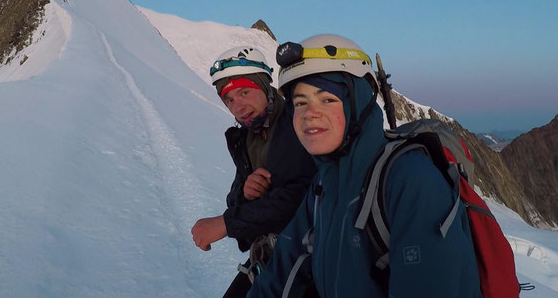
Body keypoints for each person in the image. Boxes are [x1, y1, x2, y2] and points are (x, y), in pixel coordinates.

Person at [247, 34, 482, 297]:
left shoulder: (411, 181)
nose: (309, 113)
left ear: (357, 103)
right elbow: (284, 272)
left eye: (328, 99)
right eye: (300, 102)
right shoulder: (323, 185)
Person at [190, 46, 317, 298]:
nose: (238, 106)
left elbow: (299, 198)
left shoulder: (298, 123)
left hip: (312, 257)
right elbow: (234, 196)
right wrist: (247, 193)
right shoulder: (248, 136)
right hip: (273, 253)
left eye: (244, 92)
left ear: (264, 86)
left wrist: (226, 224)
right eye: (229, 99)